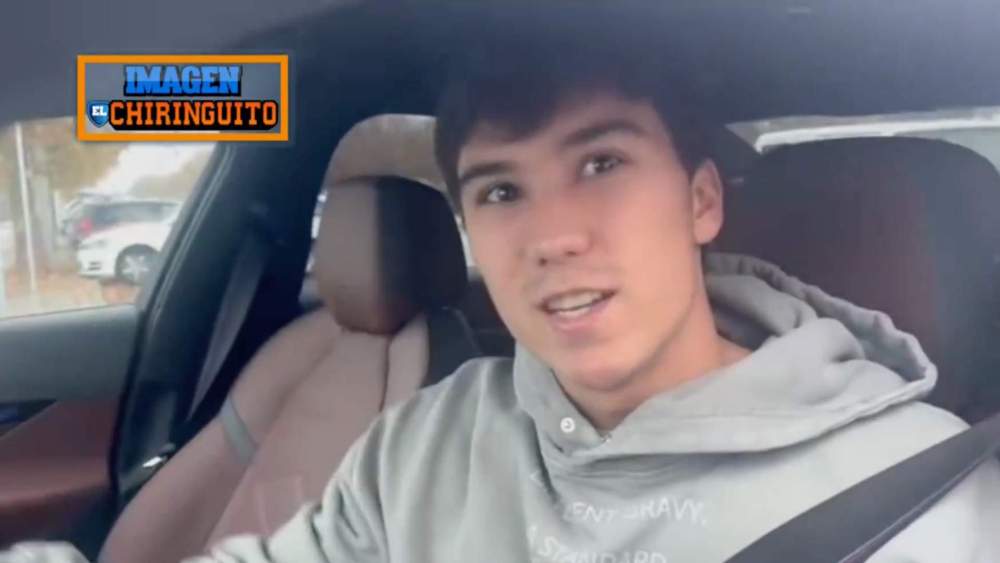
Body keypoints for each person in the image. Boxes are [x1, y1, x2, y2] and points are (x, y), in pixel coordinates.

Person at [8, 33, 999, 563]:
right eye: (499, 191)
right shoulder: (425, 438)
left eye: (601, 163)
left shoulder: (923, 492)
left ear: (700, 200)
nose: (552, 235)